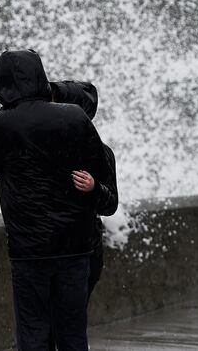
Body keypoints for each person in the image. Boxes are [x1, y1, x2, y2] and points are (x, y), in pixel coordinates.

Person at [0, 50, 113, 351]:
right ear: (41, 78)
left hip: (29, 250)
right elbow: (89, 98)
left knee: (33, 332)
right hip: (75, 247)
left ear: (0, 83)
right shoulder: (75, 116)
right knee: (72, 334)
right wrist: (51, 90)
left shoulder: (0, 125)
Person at [49, 80, 118, 299]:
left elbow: (111, 204)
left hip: (84, 249)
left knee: (70, 322)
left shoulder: (100, 152)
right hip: (48, 248)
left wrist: (94, 188)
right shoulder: (41, 147)